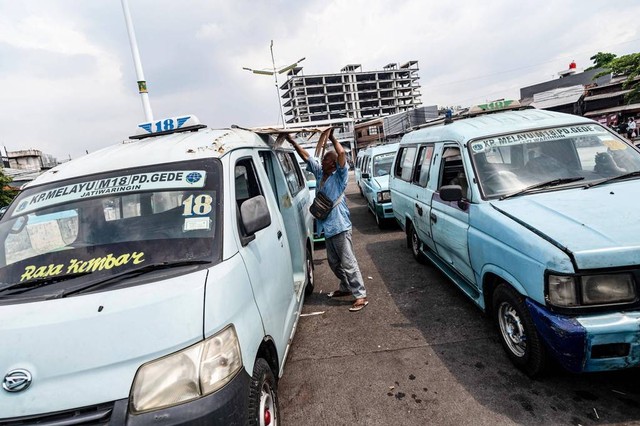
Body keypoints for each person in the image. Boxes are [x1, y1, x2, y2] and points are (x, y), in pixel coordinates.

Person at [286, 131, 368, 312]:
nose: (321, 161)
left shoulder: (340, 176)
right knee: (333, 262)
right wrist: (292, 141)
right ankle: (346, 286)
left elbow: (341, 154)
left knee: (348, 262)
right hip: (328, 227)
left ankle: (360, 294)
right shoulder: (319, 173)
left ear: (332, 164)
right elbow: (306, 157)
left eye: (324, 160)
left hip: (340, 225)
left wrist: (331, 137)